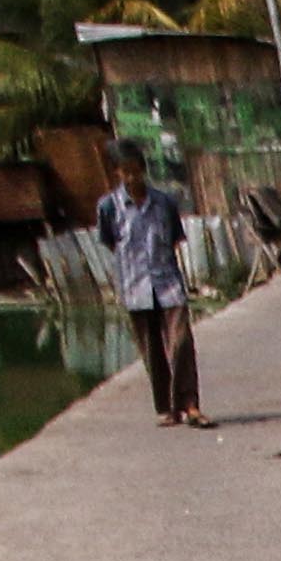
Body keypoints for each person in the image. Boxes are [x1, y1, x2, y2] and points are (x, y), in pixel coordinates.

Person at [97, 143, 204, 427]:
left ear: (143, 170)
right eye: (125, 172)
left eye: (135, 171)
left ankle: (190, 403)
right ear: (118, 173)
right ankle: (168, 408)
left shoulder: (164, 202)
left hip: (168, 282)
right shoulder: (108, 207)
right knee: (152, 350)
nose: (131, 178)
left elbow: (174, 239)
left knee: (181, 342)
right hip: (135, 286)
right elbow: (111, 242)